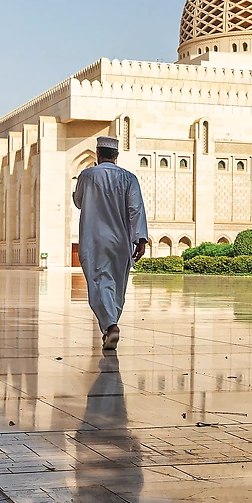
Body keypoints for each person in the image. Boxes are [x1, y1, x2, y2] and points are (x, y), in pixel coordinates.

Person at [73, 136, 148, 350]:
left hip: (94, 240)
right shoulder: (129, 178)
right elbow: (136, 209)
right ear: (116, 156)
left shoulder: (87, 175)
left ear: (98, 154)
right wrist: (140, 238)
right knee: (116, 285)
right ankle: (109, 328)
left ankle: (110, 326)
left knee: (99, 283)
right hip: (120, 240)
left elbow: (79, 201)